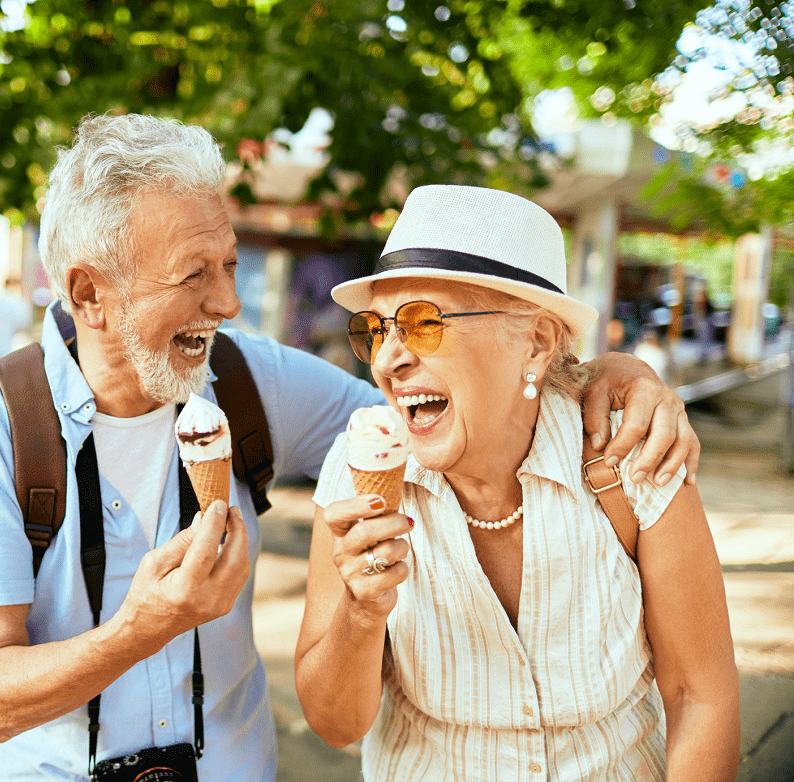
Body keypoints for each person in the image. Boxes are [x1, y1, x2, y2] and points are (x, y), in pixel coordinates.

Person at [0, 115, 700, 781]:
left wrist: (609, 374)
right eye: (194, 275)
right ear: (87, 292)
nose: (226, 303)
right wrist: (146, 624)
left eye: (228, 264)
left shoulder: (252, 381)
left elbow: (445, 407)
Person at [294, 186, 738, 781]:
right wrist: (361, 612)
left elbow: (700, 698)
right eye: (374, 329)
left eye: (424, 323)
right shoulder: (359, 468)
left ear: (535, 342)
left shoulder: (632, 452)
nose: (385, 360)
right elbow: (336, 725)